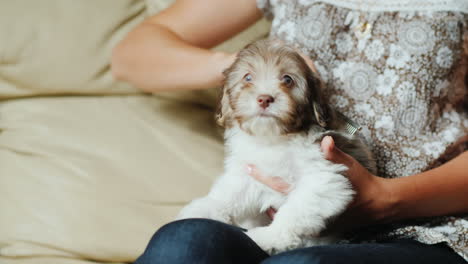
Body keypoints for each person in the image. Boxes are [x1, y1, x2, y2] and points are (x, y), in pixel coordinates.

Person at [111, 0, 468, 263]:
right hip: (272, 216)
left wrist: (387, 200)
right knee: (183, 243)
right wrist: (241, 71)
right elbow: (131, 55)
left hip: (424, 229)